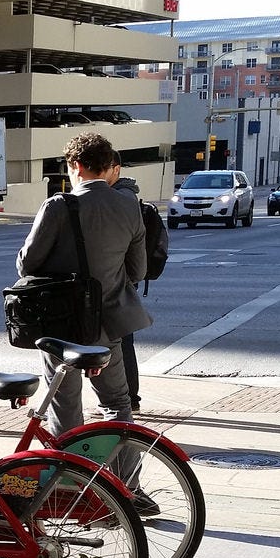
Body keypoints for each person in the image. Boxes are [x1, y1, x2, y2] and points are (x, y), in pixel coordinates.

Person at [17, 132, 157, 513]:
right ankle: (129, 490)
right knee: (117, 404)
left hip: (62, 324)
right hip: (108, 323)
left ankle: (75, 490)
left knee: (66, 407)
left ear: (76, 166)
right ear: (108, 166)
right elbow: (138, 269)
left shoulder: (59, 206)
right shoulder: (130, 207)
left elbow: (27, 264)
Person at [106, 153, 164, 413]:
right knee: (121, 341)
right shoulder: (127, 198)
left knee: (121, 342)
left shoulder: (122, 201)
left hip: (119, 282)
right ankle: (130, 399)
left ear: (115, 170)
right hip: (124, 281)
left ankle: (129, 400)